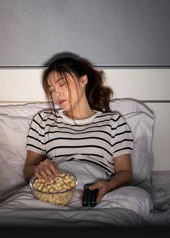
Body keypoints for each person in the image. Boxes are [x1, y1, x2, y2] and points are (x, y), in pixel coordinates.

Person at [23, 54, 135, 205]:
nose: (57, 94)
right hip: (53, 189)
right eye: (52, 90)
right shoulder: (43, 120)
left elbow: (125, 173)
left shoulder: (114, 121)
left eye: (62, 84)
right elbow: (28, 169)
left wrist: (109, 185)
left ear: (83, 80)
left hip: (95, 192)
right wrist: (38, 170)